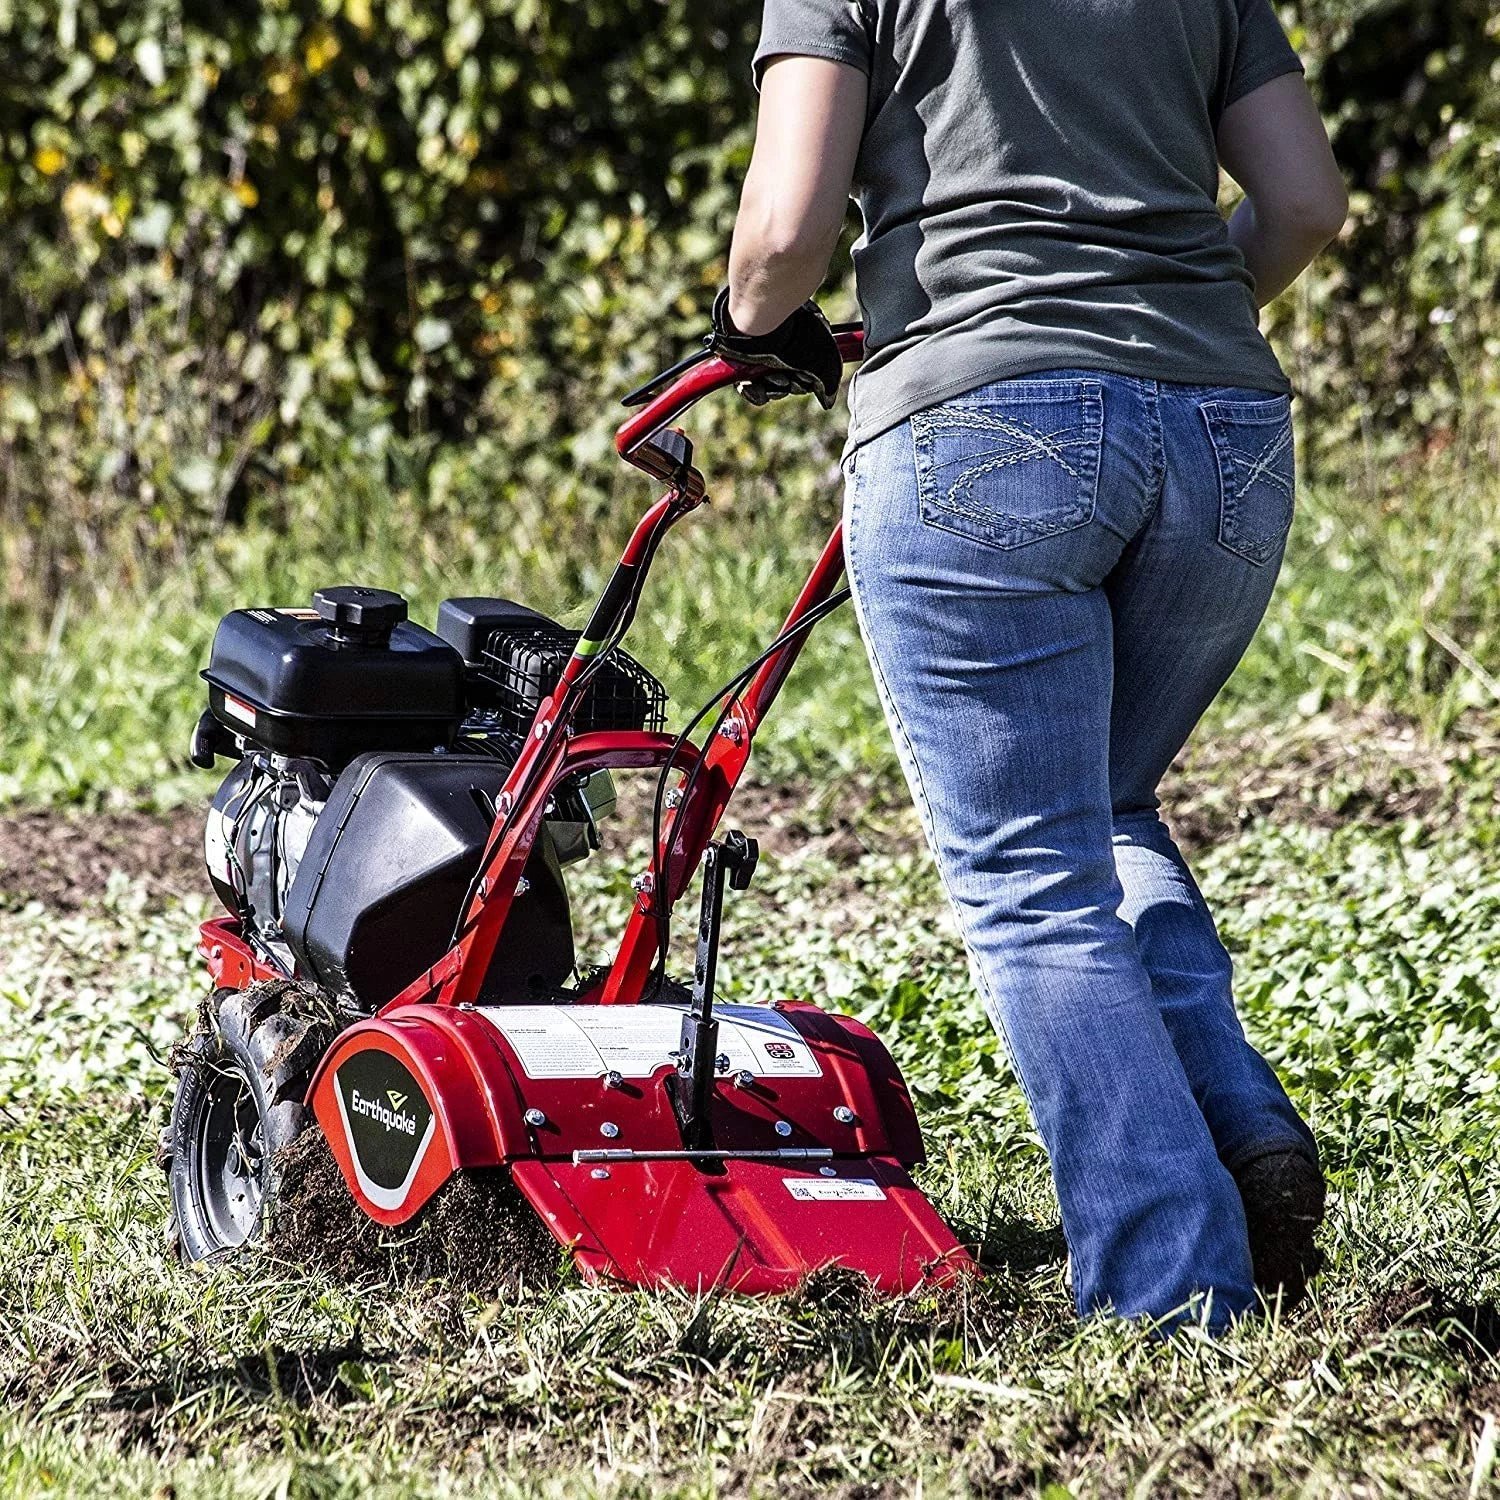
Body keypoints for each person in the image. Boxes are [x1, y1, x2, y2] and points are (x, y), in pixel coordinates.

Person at [707, 0, 1348, 1327]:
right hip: (1225, 436)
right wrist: (1178, 318)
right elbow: (1304, 204)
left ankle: (1177, 1290)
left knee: (1032, 877)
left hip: (981, 420)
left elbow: (784, 232)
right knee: (1104, 805)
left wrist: (751, 320)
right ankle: (1235, 1128)